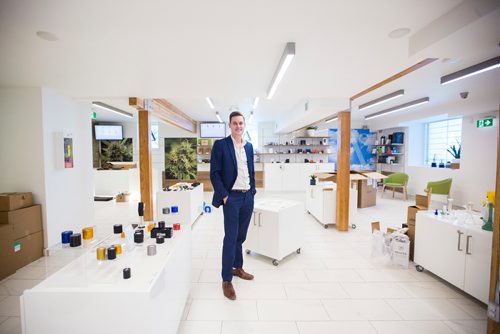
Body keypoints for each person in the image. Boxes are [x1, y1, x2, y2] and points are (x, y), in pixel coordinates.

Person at [210, 111, 256, 300]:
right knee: (230, 237)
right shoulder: (221, 145)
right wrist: (225, 196)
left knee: (241, 236)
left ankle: (238, 268)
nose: (238, 126)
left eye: (241, 123)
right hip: (232, 198)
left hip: (247, 198)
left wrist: (252, 191)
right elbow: (215, 173)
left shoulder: (249, 146)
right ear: (230, 125)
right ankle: (226, 279)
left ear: (244, 125)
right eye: (235, 123)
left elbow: (250, 170)